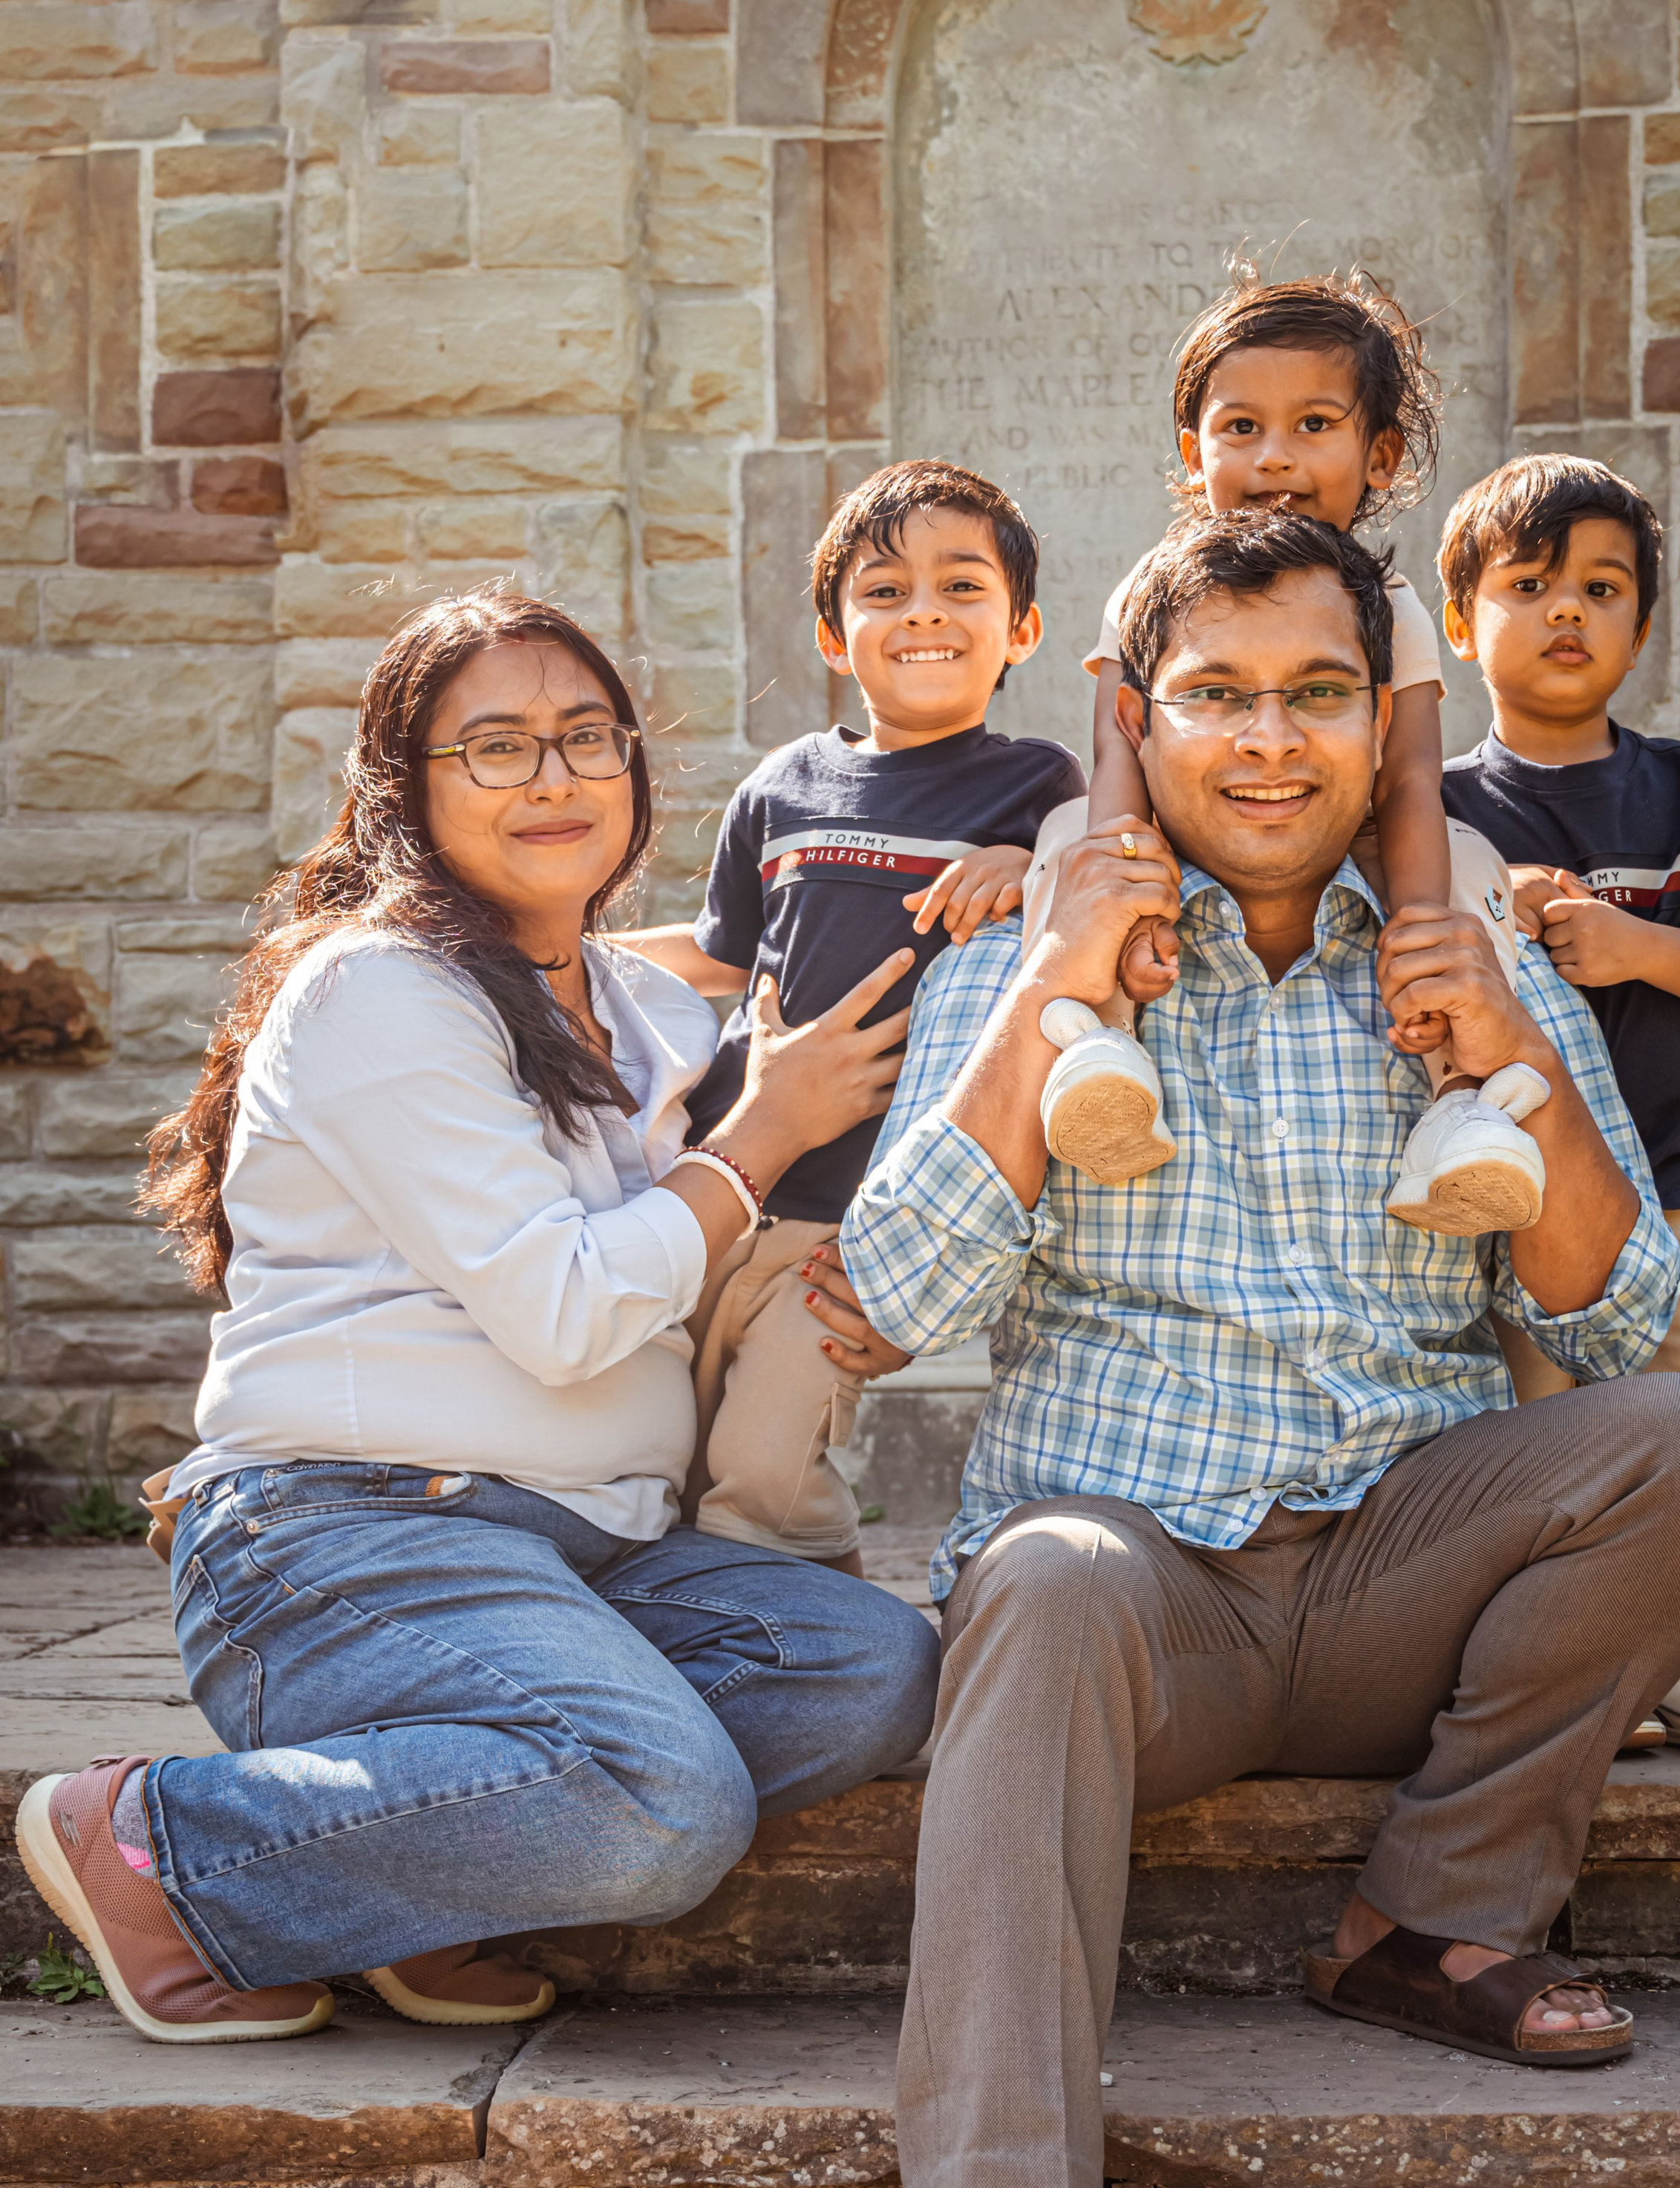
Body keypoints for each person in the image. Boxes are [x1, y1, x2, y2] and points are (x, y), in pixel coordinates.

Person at [817, 511, 1680, 2188]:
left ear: (1380, 726)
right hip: (1138, 1602)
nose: (1268, 741)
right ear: (1139, 725)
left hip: (1399, 1566)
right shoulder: (1022, 952)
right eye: (1219, 697)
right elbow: (889, 1298)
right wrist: (1063, 974)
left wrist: (1514, 1047)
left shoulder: (1468, 954)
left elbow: (1600, 1322)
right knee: (1047, 1579)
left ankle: (1423, 1916)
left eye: (1316, 695)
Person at [16, 587, 938, 2048]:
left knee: (871, 1669)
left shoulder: (646, 1014)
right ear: (407, 787)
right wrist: (753, 1143)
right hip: (344, 1540)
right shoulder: (379, 990)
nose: (554, 775)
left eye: (585, 737)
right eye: (494, 747)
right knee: (661, 1802)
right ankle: (152, 1839)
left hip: (587, 1552)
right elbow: (567, 1312)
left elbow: (764, 1189)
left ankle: (413, 1889)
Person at [626, 461, 1085, 1575]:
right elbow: (723, 959)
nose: (923, 609)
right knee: (670, 1458)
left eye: (961, 587)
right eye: (884, 591)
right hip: (724, 1181)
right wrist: (545, 953)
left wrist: (1025, 868)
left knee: (763, 1464)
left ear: (1019, 629)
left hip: (860, 1217)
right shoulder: (783, 787)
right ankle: (727, 1640)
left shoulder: (1038, 786)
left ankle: (831, 1631)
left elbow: (1088, 918)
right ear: (836, 637)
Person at [1437, 452, 1680, 1762]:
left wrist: (1630, 944)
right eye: (1529, 583)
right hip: (1502, 1196)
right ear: (1460, 623)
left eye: (1601, 589)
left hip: (1673, 1178)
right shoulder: (1436, 808)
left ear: (1641, 627)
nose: (1566, 611)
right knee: (1536, 1437)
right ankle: (1563, 1661)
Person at [1022, 268, 1544, 1237]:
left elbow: (1414, 778)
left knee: (1469, 862)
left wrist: (1421, 924)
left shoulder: (1387, 608)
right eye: (1240, 428)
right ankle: (1099, 1048)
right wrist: (1131, 903)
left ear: (1380, 454)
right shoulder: (1155, 589)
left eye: (1314, 425)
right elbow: (1119, 747)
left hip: (1354, 836)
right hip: (1192, 830)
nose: (1274, 458)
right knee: (1068, 833)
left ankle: (1462, 1099)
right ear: (1192, 454)